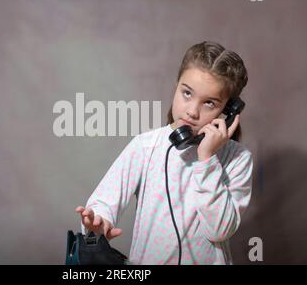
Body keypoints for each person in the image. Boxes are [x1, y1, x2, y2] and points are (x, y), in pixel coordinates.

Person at [75, 41, 253, 264]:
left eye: (209, 103)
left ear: (228, 111)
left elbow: (219, 230)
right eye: (187, 93)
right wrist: (97, 221)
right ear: (176, 86)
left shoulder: (238, 159)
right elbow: (102, 203)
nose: (192, 111)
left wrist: (206, 159)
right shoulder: (146, 147)